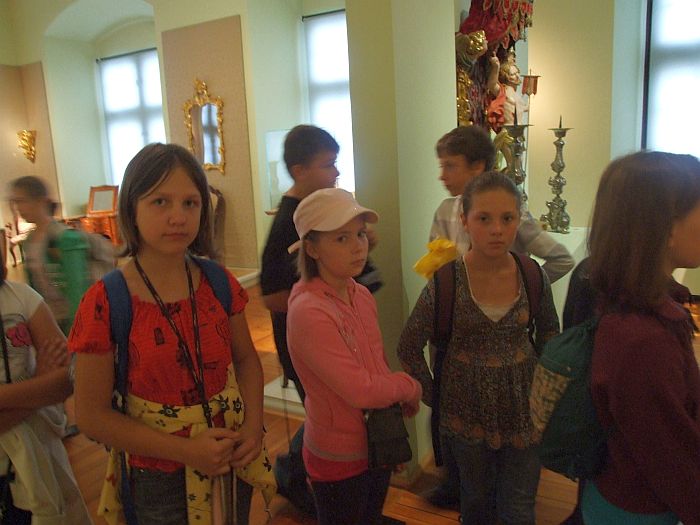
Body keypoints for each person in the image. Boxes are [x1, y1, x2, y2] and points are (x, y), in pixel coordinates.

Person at [69, 143, 274, 525]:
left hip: (230, 452)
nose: (178, 217)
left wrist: (252, 426)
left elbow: (246, 359)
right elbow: (91, 415)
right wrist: (186, 451)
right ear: (132, 208)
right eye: (160, 202)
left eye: (190, 203)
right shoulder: (107, 301)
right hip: (156, 473)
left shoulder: (218, 282)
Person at [399, 172, 560, 524]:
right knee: (476, 503)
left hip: (523, 412)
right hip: (465, 414)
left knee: (519, 507)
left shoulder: (532, 275)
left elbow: (550, 332)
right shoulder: (446, 282)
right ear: (465, 221)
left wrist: (544, 395)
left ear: (518, 220)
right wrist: (435, 395)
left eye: (507, 218)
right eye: (484, 219)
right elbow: (409, 345)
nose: (497, 230)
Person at [425, 125, 573, 509]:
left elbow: (560, 258)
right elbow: (436, 267)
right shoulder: (445, 211)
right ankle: (458, 482)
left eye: (451, 166)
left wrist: (527, 287)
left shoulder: (512, 215)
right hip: (454, 334)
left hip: (502, 345)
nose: (443, 175)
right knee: (453, 409)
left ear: (477, 167)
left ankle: (495, 487)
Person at [286, 188, 422, 525]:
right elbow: (360, 389)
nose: (358, 246)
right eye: (341, 238)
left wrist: (388, 431)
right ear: (312, 248)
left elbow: (375, 365)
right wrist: (408, 386)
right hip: (337, 457)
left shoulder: (360, 295)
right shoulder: (308, 310)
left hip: (373, 445)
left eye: (360, 234)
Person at [582, 151, 700, 524]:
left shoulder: (638, 306)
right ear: (667, 227)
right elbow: (674, 462)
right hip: (638, 510)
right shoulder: (642, 340)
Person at [0, 255, 91, 523]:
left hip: (41, 457)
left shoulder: (22, 297)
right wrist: (38, 382)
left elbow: (67, 379)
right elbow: (52, 384)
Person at [261, 124, 341, 403]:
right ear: (300, 171)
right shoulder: (288, 223)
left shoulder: (315, 212)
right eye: (328, 165)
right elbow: (272, 296)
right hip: (306, 350)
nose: (336, 172)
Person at [9, 176, 90, 336]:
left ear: (40, 201)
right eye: (16, 202)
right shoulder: (29, 240)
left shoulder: (65, 238)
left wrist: (77, 331)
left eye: (22, 201)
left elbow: (77, 289)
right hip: (49, 321)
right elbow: (33, 288)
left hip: (71, 321)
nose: (18, 207)